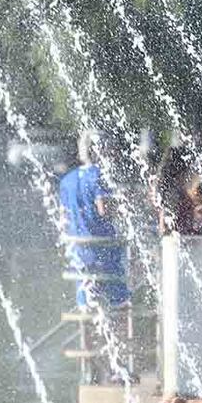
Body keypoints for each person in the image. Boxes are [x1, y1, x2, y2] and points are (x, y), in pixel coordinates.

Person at [59, 131, 130, 310]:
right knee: (117, 274)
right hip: (102, 246)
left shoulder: (66, 180)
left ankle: (86, 301)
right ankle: (118, 301)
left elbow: (64, 218)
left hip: (80, 248)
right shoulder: (99, 175)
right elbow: (103, 210)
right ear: (99, 149)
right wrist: (123, 207)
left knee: (86, 287)